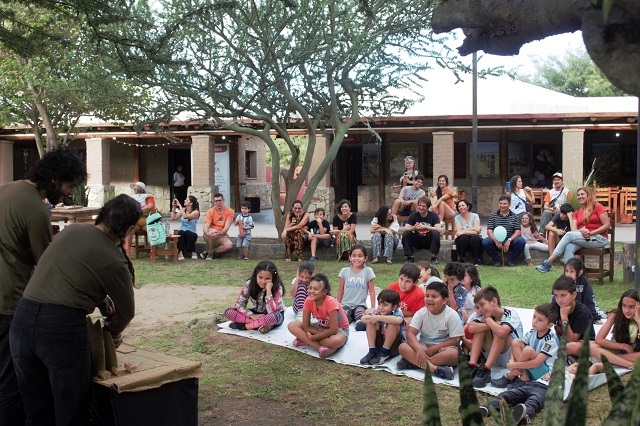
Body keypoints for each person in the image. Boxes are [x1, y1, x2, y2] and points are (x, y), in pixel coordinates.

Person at [10, 194, 139, 425]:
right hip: (60, 330)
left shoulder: (70, 231)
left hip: (21, 320)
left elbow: (67, 271)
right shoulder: (114, 259)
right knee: (71, 413)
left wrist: (100, 300)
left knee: (37, 410)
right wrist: (112, 332)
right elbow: (126, 312)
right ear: (129, 229)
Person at [0, 146, 86, 425]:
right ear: (54, 179)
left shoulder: (6, 189)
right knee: (11, 383)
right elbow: (47, 264)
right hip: (9, 301)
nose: (69, 194)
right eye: (69, 186)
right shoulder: (37, 211)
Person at [396, 281, 464, 380]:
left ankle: (413, 363)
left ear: (444, 300)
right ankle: (434, 368)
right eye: (427, 296)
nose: (429, 299)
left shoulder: (452, 315)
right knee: (402, 347)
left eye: (434, 296)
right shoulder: (421, 313)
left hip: (442, 349)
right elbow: (410, 333)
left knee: (454, 354)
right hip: (423, 347)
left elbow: (455, 340)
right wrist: (419, 350)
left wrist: (433, 349)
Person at [536, 186, 610, 272]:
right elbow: (574, 230)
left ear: (588, 195)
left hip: (599, 238)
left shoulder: (597, 206)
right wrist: (581, 231)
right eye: (578, 195)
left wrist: (591, 233)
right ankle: (571, 274)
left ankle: (549, 262)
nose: (580, 196)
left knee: (569, 235)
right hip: (585, 238)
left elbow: (607, 225)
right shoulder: (577, 212)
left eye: (582, 194)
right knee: (568, 247)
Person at [491, 303, 559, 388]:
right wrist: (511, 361)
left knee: (528, 350)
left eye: (540, 320)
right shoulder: (532, 332)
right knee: (516, 342)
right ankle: (523, 377)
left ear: (549, 325)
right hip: (530, 368)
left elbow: (536, 362)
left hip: (545, 374)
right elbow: (515, 347)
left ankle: (512, 376)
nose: (534, 321)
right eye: (534, 317)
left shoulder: (551, 340)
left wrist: (515, 365)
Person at [467, 286, 523, 388]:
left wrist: (488, 320)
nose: (480, 310)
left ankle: (486, 370)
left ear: (494, 301)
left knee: (500, 331)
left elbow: (501, 332)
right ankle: (472, 365)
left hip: (509, 356)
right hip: (490, 353)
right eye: (477, 307)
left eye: (482, 305)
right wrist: (490, 324)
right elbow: (471, 328)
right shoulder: (481, 313)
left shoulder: (510, 313)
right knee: (480, 330)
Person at [288, 273, 349, 358]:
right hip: (321, 327)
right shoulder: (308, 301)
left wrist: (314, 337)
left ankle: (306, 340)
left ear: (324, 292)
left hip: (339, 330)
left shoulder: (331, 302)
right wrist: (318, 334)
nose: (311, 291)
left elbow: (333, 330)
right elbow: (306, 326)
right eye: (310, 288)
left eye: (315, 289)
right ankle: (321, 348)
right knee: (292, 325)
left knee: (335, 341)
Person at [224, 261, 286, 334]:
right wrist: (251, 315)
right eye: (260, 277)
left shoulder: (277, 287)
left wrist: (268, 291)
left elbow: (272, 311)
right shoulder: (250, 284)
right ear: (256, 274)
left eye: (267, 278)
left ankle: (246, 326)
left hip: (274, 315)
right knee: (229, 312)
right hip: (256, 313)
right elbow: (239, 304)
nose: (263, 281)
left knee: (273, 317)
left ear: (273, 278)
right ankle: (261, 325)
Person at [588, 289, 640, 371]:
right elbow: (599, 339)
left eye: (631, 307)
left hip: (636, 353)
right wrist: (624, 346)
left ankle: (612, 360)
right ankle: (629, 364)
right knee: (591, 346)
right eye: (624, 306)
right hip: (618, 349)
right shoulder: (616, 315)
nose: (627, 310)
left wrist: (638, 320)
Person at [551, 276, 595, 358]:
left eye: (563, 295)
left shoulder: (582, 312)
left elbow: (571, 341)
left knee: (568, 347)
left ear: (574, 295)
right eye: (556, 296)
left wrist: (564, 318)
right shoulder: (555, 306)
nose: (559, 300)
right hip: (563, 343)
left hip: (583, 343)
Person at [359, 290, 405, 365]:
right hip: (380, 343)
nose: (381, 307)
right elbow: (363, 318)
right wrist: (374, 318)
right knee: (370, 322)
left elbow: (398, 320)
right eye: (379, 304)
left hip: (393, 346)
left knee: (393, 323)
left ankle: (384, 353)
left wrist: (378, 317)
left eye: (385, 305)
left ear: (394, 306)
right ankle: (372, 351)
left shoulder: (397, 311)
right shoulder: (378, 310)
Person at [482, 195, 525, 267]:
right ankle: (497, 260)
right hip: (496, 240)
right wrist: (496, 241)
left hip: (510, 241)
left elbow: (518, 231)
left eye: (505, 204)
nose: (502, 205)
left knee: (521, 241)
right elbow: (489, 231)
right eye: (501, 203)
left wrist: (509, 240)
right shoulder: (493, 216)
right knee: (486, 242)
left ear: (509, 204)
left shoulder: (515, 216)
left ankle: (511, 260)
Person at [337, 245, 376, 323]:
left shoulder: (368, 271)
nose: (357, 258)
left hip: (360, 305)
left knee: (361, 322)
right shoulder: (344, 271)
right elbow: (340, 290)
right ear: (350, 257)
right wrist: (337, 306)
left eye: (360, 256)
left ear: (365, 258)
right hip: (346, 304)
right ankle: (351, 317)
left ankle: (355, 317)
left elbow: (372, 292)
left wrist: (373, 309)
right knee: (341, 321)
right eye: (354, 256)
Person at [562, 258, 604, 324]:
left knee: (602, 314)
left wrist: (595, 317)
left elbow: (589, 300)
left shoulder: (584, 282)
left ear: (580, 272)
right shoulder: (561, 282)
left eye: (571, 271)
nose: (568, 274)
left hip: (580, 312)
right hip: (563, 311)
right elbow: (554, 300)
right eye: (566, 271)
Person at [402, 196, 441, 264]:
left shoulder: (434, 215)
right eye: (419, 205)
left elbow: (439, 229)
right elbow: (405, 228)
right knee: (406, 233)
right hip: (417, 239)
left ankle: (434, 257)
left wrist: (425, 227)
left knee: (435, 233)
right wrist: (414, 227)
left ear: (427, 208)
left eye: (423, 206)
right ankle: (409, 257)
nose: (421, 207)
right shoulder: (413, 215)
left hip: (428, 240)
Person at [201, 193, 234, 260]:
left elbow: (227, 227)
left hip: (222, 235)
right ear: (214, 202)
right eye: (216, 201)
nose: (218, 203)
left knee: (229, 245)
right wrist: (208, 233)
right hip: (210, 234)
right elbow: (206, 226)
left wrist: (221, 233)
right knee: (213, 231)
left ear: (223, 200)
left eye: (220, 200)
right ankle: (210, 253)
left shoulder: (230, 211)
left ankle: (209, 252)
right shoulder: (210, 212)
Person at [453, 198, 483, 265]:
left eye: (463, 205)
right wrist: (474, 228)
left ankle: (477, 260)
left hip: (473, 238)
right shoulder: (457, 218)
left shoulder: (475, 216)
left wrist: (463, 231)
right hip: (463, 239)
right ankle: (461, 258)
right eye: (459, 206)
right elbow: (459, 232)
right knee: (463, 238)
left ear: (468, 206)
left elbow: (477, 231)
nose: (461, 207)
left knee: (475, 238)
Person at [460, 263, 483, 351]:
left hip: (473, 316)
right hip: (460, 315)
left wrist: (471, 314)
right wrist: (462, 311)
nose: (462, 277)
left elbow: (480, 306)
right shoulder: (457, 289)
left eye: (465, 275)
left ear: (472, 278)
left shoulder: (477, 290)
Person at [171, 195, 201, 260]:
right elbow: (173, 218)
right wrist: (174, 207)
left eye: (187, 200)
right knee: (181, 232)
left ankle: (193, 252)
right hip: (182, 233)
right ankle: (180, 253)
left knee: (187, 232)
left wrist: (180, 206)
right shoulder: (183, 210)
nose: (184, 200)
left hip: (192, 234)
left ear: (191, 203)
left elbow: (185, 217)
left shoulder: (196, 212)